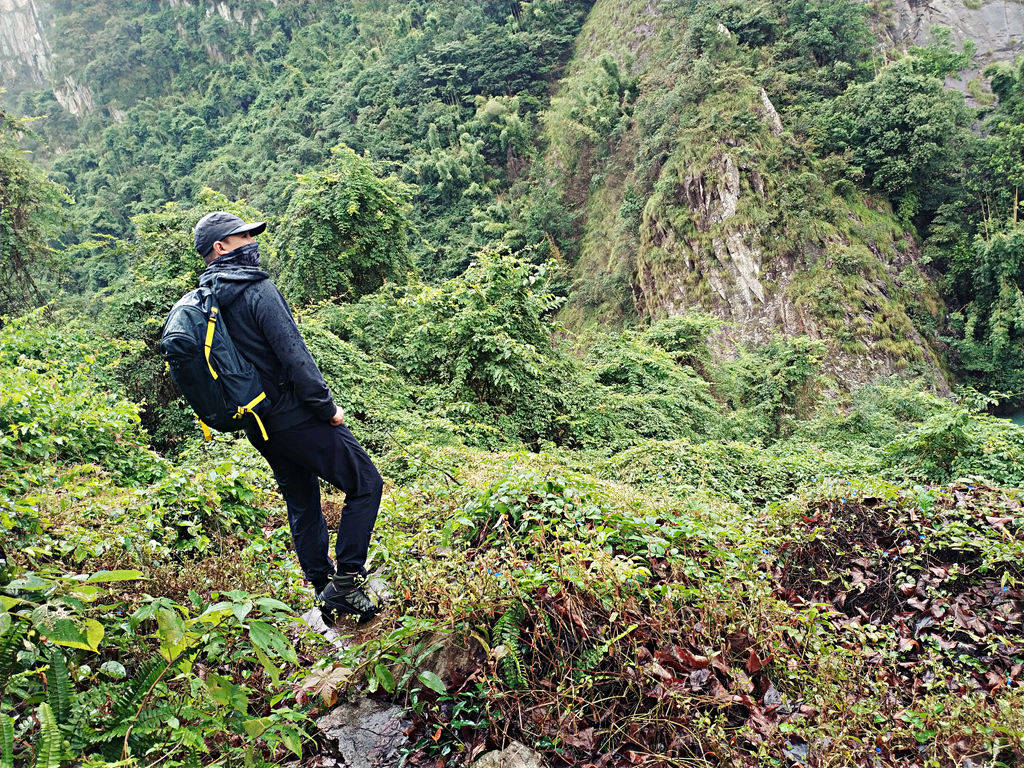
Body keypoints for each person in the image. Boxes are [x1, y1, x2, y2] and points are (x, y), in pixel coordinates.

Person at [193, 211, 383, 624]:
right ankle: (347, 582)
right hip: (295, 415)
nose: (250, 242)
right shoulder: (256, 290)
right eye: (241, 237)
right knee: (366, 483)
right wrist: (326, 408)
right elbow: (294, 356)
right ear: (219, 248)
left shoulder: (205, 298)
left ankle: (322, 588)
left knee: (302, 502)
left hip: (258, 423)